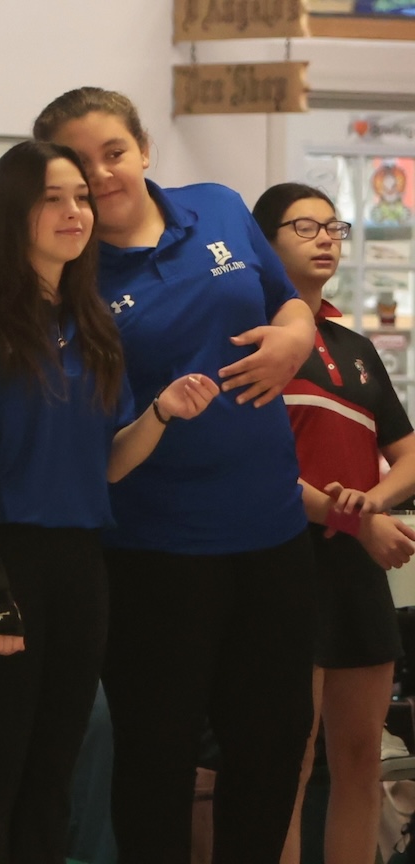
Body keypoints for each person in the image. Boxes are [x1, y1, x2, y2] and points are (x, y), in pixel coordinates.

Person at [32, 87, 319, 864]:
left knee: (273, 742)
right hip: (153, 552)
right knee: (155, 757)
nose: (102, 174)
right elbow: (90, 441)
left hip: (271, 535)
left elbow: (289, 305)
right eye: (81, 164)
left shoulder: (218, 207)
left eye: (114, 152)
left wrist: (294, 341)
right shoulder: (69, 280)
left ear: (144, 149)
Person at [0, 139, 218, 864]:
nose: (74, 212)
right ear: (13, 212)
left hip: (79, 562)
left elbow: (109, 463)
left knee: (55, 773)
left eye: (81, 198)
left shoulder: (91, 320)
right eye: (52, 198)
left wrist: (161, 412)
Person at [252, 182, 415, 864]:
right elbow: (254, 464)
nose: (325, 238)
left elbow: (408, 454)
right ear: (264, 243)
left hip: (357, 566)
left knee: (360, 760)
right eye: (305, 227)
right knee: (289, 762)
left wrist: (371, 505)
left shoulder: (355, 344)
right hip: (284, 561)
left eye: (333, 227)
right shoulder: (256, 339)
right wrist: (353, 518)